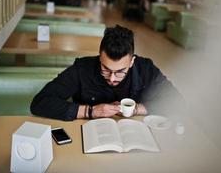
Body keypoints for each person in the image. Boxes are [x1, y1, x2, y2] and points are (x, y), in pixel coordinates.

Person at [30, 25, 183, 121]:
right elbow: (40, 102)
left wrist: (136, 109)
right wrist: (90, 111)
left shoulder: (146, 69)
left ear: (131, 61)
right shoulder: (82, 68)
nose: (112, 78)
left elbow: (177, 101)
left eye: (120, 71)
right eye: (106, 69)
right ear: (99, 56)